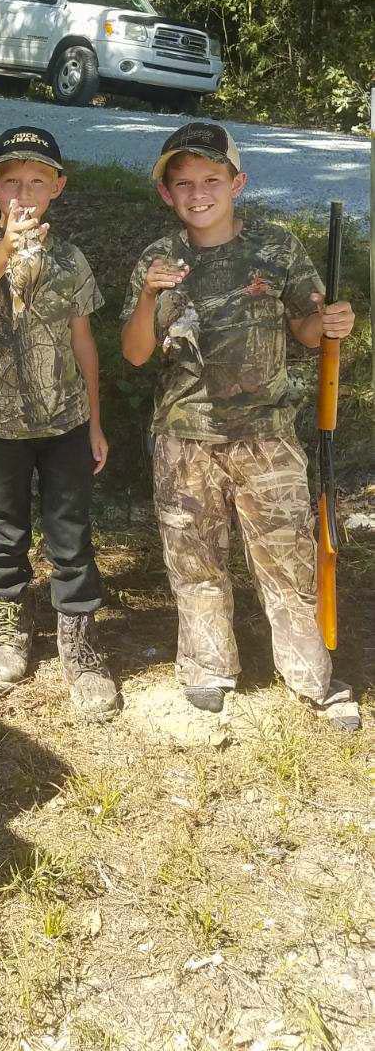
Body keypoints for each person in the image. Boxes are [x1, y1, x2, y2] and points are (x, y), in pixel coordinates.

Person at [121, 120, 359, 730]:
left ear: (237, 182)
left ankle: (310, 674)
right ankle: (207, 667)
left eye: (211, 179)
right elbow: (135, 353)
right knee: (194, 559)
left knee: (288, 556)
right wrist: (148, 296)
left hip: (267, 436)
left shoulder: (276, 248)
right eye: (183, 184)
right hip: (184, 438)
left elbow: (306, 329)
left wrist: (327, 323)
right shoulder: (157, 257)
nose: (198, 193)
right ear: (166, 194)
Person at [0, 126, 117, 720]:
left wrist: (95, 422)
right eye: (11, 182)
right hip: (0, 423)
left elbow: (84, 340)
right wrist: (5, 247)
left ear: (58, 187)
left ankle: (79, 645)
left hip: (66, 420)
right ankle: (7, 630)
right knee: (5, 527)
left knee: (70, 532)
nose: (24, 192)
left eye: (37, 181)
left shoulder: (71, 260)